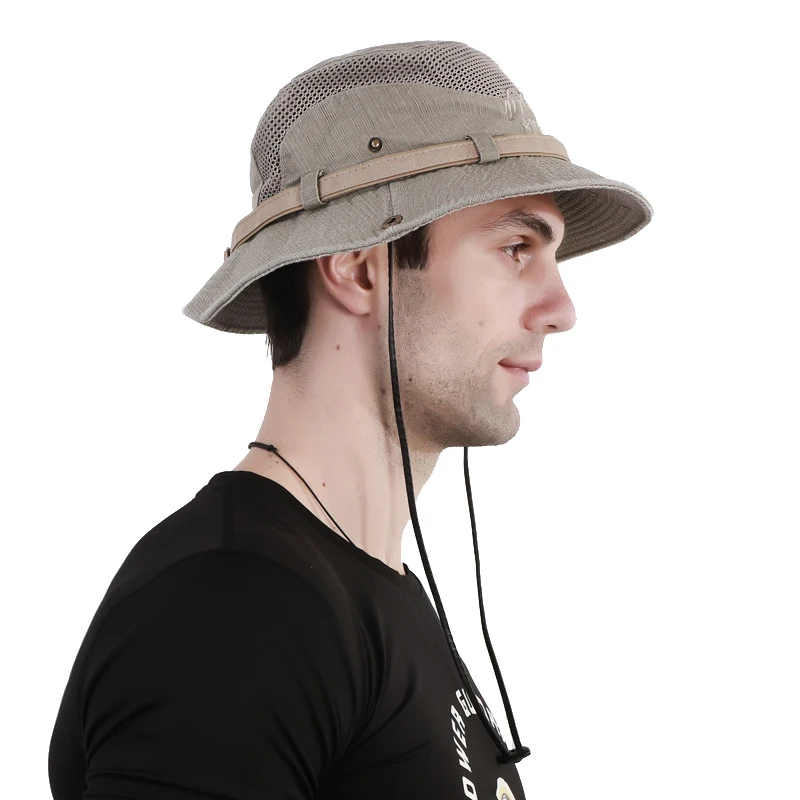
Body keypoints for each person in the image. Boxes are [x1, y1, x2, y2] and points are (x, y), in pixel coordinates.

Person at [48, 40, 652, 800]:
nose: (561, 309)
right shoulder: (235, 606)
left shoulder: (366, 592)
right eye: (514, 248)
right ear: (360, 268)